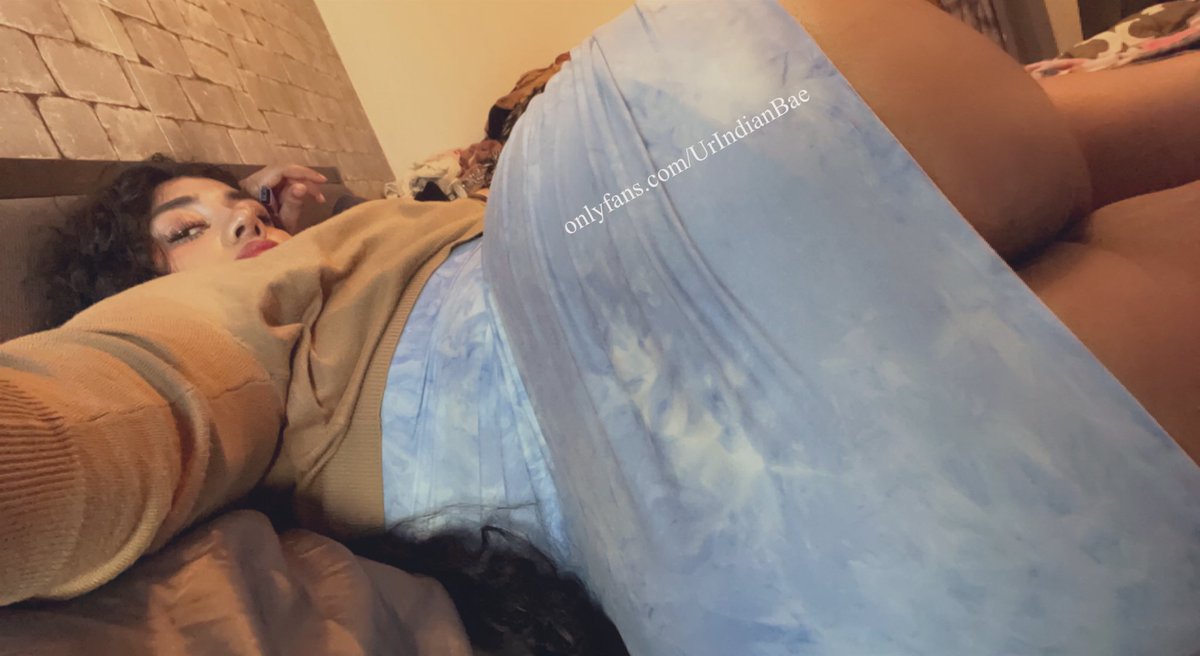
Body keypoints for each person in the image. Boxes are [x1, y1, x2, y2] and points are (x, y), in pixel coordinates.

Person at [3, 0, 1200, 654]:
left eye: (241, 198)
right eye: (183, 226)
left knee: (1071, 239)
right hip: (638, 262)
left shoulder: (369, 236)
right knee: (799, 134)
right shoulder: (175, 335)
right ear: (124, 281)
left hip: (776, 539)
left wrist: (315, 203)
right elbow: (102, 412)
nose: (239, 218)